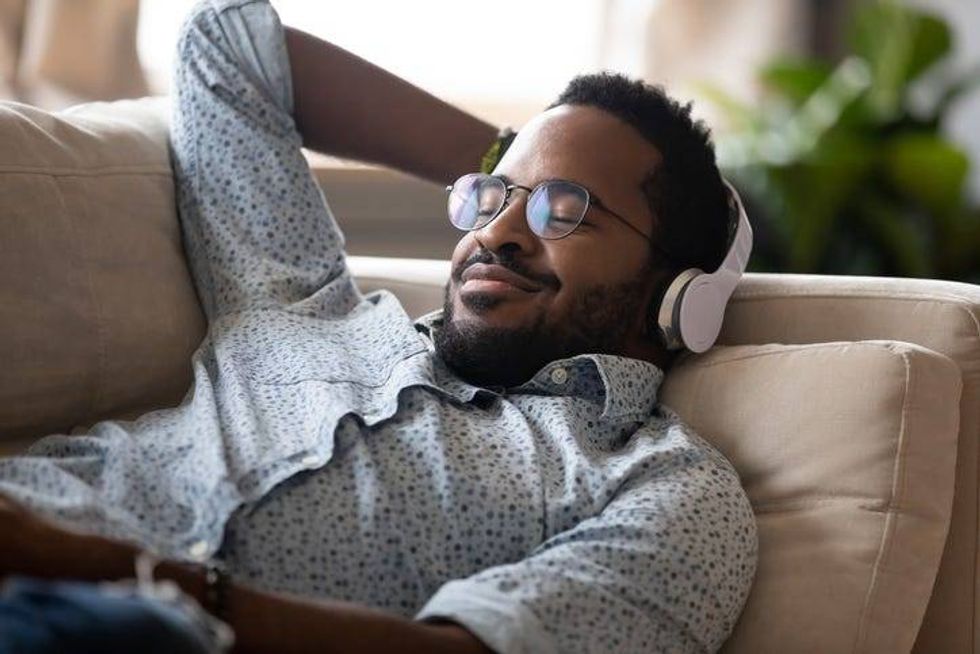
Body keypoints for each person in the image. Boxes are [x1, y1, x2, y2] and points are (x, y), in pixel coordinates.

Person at [0, 0, 758, 652]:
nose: (497, 234)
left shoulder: (667, 486)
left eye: (565, 209)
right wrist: (511, 156)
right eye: (490, 200)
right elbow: (226, 39)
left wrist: (137, 580)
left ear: (677, 293)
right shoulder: (299, 298)